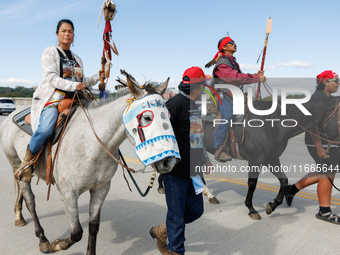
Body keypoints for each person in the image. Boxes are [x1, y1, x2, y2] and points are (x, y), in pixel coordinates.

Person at [17, 19, 104, 183]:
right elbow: (51, 78)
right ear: (57, 34)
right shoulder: (50, 52)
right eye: (63, 31)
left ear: (73, 36)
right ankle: (27, 162)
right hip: (54, 100)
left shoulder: (77, 58)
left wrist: (98, 76)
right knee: (44, 131)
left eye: (70, 31)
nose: (67, 34)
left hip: (76, 100)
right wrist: (74, 85)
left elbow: (81, 80)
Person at [149, 67, 213, 255]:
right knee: (177, 218)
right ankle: (176, 250)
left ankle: (161, 231)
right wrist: (159, 159)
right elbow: (158, 132)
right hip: (175, 172)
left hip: (193, 170)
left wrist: (205, 159)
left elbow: (196, 137)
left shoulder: (194, 105)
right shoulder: (175, 104)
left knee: (196, 210)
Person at [286, 70, 340, 224]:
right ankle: (324, 211)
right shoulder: (318, 98)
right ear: (325, 82)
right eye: (335, 80)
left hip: (326, 141)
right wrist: (319, 148)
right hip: (318, 141)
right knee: (327, 173)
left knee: (327, 171)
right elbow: (313, 125)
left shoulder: (327, 98)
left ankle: (292, 189)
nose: (338, 83)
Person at [205, 36, 266, 162]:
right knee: (228, 115)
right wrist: (256, 79)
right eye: (231, 43)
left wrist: (253, 75)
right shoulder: (222, 64)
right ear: (225, 47)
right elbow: (235, 78)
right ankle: (219, 148)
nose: (235, 44)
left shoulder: (232, 61)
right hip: (222, 94)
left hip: (232, 95)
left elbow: (238, 76)